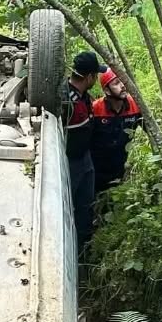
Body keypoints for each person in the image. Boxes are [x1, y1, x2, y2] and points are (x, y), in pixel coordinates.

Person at [62, 50, 102, 248]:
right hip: (70, 163)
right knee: (69, 207)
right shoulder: (66, 100)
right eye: (96, 76)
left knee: (86, 205)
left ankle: (84, 246)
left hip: (84, 158)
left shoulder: (83, 96)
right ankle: (72, 247)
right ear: (89, 77)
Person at [90, 68, 143, 192]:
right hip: (95, 170)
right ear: (107, 91)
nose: (122, 86)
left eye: (123, 81)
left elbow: (151, 131)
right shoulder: (95, 109)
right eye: (116, 83)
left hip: (120, 168)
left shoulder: (135, 105)